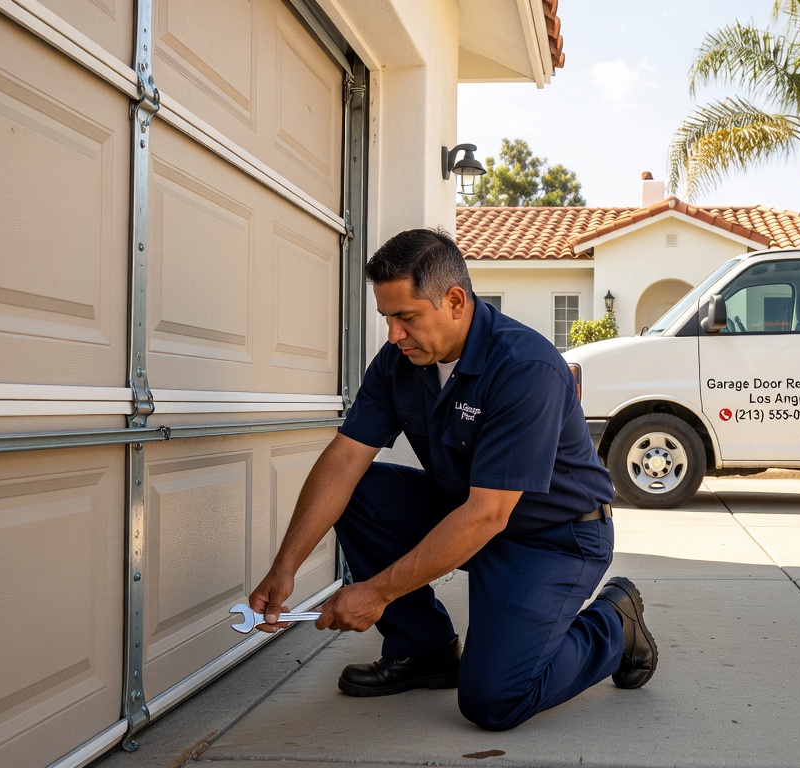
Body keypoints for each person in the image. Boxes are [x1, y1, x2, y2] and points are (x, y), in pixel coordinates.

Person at [247, 228, 657, 731]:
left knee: (493, 700)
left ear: (456, 301)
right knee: (362, 493)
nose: (393, 334)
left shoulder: (525, 367)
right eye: (387, 318)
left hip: (554, 538)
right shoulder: (401, 359)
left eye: (406, 317)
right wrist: (285, 565)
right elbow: (344, 460)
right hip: (467, 512)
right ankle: (424, 651)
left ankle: (616, 624)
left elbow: (488, 514)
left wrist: (376, 592)